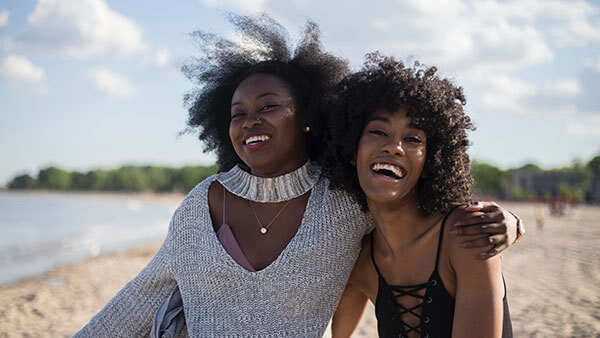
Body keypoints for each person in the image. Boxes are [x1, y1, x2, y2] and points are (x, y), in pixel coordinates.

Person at [76, 15, 520, 337]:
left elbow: (414, 207)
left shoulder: (344, 200)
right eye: (238, 114)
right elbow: (138, 301)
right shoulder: (200, 204)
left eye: (268, 106)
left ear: (307, 117)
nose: (251, 120)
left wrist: (511, 223)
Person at [325, 54, 513, 337]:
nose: (394, 147)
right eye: (378, 131)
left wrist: (513, 223)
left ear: (431, 162)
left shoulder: (466, 235)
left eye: (413, 139)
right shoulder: (360, 261)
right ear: (352, 150)